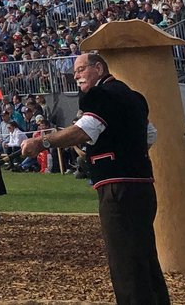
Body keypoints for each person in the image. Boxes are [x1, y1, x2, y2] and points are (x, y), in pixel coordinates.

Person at [22, 52, 168, 305]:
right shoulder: (134, 97)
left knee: (125, 261)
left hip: (116, 187)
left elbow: (84, 130)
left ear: (99, 68)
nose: (76, 76)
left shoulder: (100, 95)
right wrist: (128, 152)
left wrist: (42, 142)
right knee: (145, 257)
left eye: (81, 70)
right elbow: (150, 135)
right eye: (74, 72)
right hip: (143, 184)